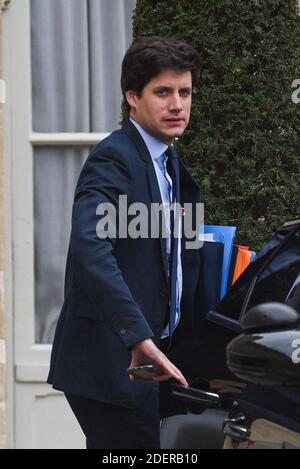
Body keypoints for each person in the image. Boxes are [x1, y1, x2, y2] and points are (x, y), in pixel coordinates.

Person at [47, 36, 202, 449]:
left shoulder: (169, 162)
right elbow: (91, 247)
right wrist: (136, 336)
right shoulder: (114, 158)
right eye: (163, 92)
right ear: (132, 96)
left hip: (159, 358)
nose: (177, 105)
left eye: (184, 92)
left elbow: (173, 256)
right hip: (119, 362)